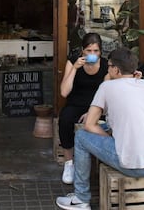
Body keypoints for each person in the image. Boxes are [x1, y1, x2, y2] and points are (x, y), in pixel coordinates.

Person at [56, 47, 144, 210]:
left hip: (134, 166)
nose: (107, 68)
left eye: (109, 66)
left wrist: (109, 139)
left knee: (81, 136)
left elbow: (90, 124)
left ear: (116, 69)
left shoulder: (106, 87)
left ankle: (81, 198)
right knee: (113, 124)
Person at [59, 32, 110, 184]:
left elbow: (106, 94)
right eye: (89, 51)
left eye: (96, 51)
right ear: (82, 51)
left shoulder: (106, 66)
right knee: (65, 120)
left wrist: (92, 112)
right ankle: (69, 164)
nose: (92, 54)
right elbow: (64, 92)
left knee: (107, 123)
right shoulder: (73, 61)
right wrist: (75, 69)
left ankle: (102, 161)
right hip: (75, 104)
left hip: (97, 106)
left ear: (100, 52)